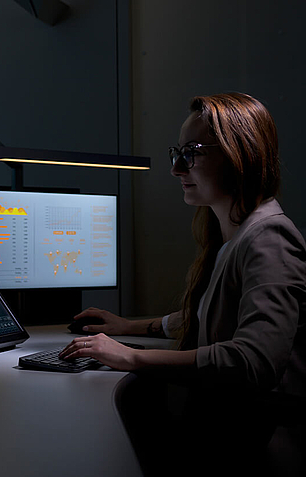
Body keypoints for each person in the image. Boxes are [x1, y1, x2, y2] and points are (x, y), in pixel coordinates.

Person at [60, 92, 306, 474]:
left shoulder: (269, 238)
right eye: (177, 151)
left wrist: (132, 356)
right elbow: (216, 312)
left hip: (260, 453)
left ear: (240, 154)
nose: (176, 168)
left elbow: (253, 361)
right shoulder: (238, 234)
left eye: (192, 152)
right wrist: (133, 327)